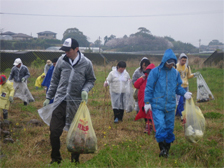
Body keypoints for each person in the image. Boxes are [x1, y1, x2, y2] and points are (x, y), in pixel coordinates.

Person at [42, 38, 96, 164]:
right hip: (60, 101)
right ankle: (56, 159)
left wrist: (85, 90)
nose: (66, 52)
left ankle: (75, 160)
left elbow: (91, 80)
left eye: (68, 50)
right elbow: (54, 80)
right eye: (64, 50)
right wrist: (48, 97)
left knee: (76, 134)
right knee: (54, 132)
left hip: (76, 103)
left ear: (76, 49)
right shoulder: (61, 60)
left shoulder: (86, 63)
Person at [144, 49, 192, 158]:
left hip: (170, 105)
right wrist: (147, 102)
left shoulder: (175, 73)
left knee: (169, 128)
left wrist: (184, 94)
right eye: (168, 63)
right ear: (164, 61)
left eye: (172, 64)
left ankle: (167, 150)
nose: (170, 66)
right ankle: (162, 149)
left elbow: (177, 88)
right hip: (157, 105)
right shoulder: (155, 72)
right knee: (160, 126)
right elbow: (149, 88)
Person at [134, 63, 156, 133]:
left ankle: (149, 127)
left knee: (150, 114)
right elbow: (136, 85)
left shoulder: (156, 81)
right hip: (142, 100)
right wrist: (141, 79)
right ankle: (148, 126)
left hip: (151, 100)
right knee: (145, 113)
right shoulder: (143, 79)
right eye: (148, 73)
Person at [176, 53, 198, 119]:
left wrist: (194, 75)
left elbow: (188, 76)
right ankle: (182, 115)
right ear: (179, 59)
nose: (184, 62)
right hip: (179, 87)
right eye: (182, 60)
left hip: (185, 86)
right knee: (180, 101)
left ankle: (177, 114)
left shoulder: (187, 67)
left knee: (183, 102)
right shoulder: (176, 67)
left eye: (185, 61)